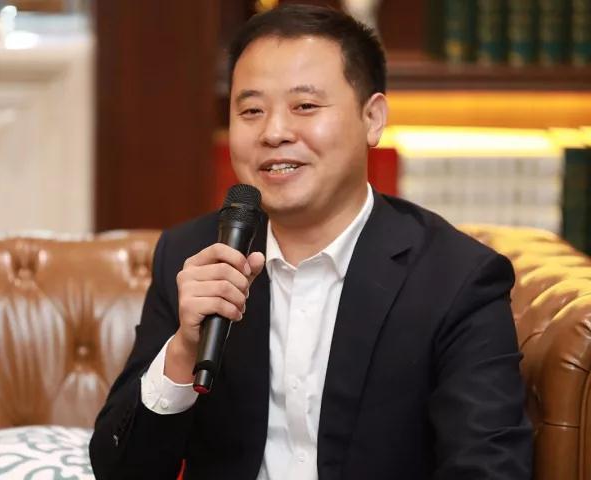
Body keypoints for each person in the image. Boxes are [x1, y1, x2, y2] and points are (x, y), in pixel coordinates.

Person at [89, 5, 533, 479]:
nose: (274, 132)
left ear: (372, 118)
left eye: (304, 106)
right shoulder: (194, 256)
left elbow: (487, 468)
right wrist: (182, 350)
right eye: (251, 111)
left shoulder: (456, 279)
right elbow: (120, 471)